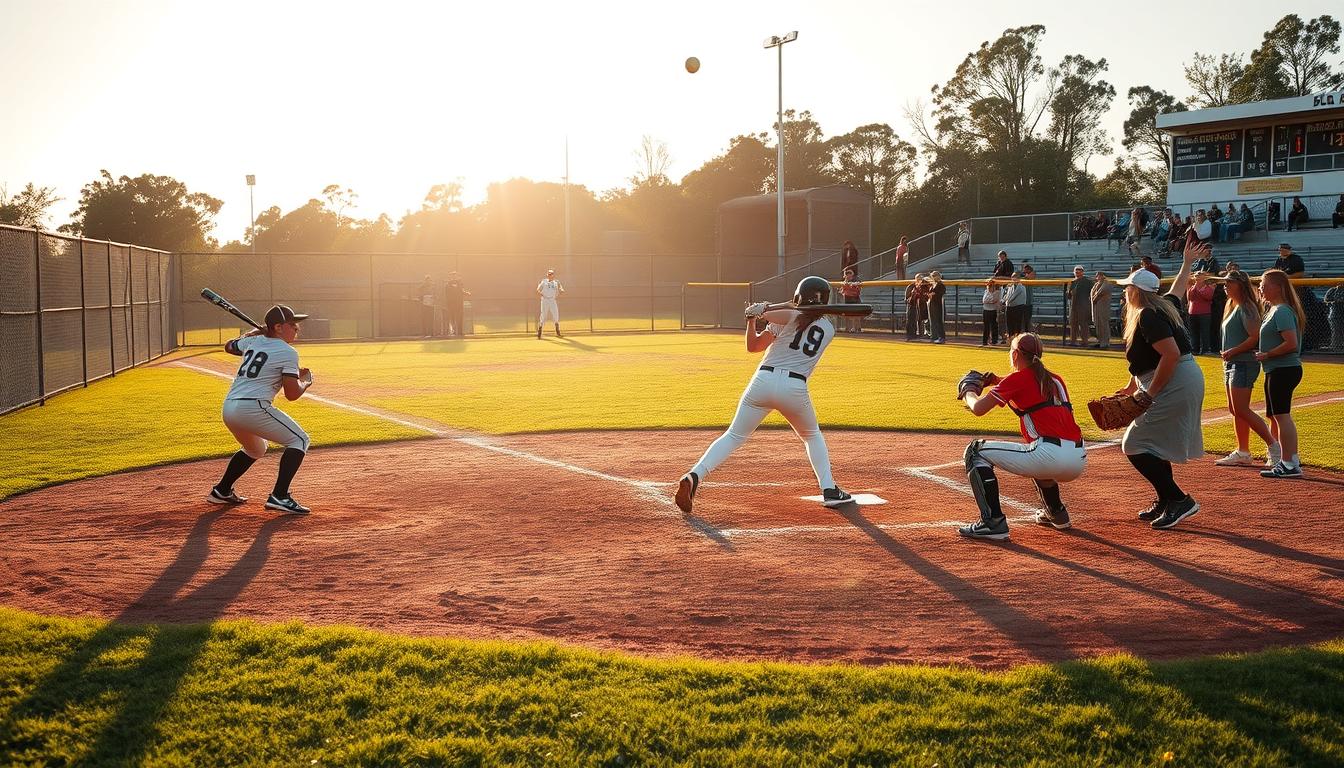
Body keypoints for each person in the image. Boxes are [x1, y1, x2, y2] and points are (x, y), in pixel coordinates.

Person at [675, 276, 852, 512]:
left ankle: (695, 474)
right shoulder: (828, 328)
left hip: (762, 382)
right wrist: (754, 317)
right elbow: (757, 342)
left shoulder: (789, 316)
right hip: (794, 388)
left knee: (733, 436)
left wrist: (761, 310)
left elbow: (763, 337)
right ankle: (829, 489)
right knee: (811, 435)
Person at [955, 332, 1087, 540]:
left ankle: (993, 522)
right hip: (1078, 458)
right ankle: (1057, 513)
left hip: (1050, 455)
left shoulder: (1018, 379)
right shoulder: (1055, 379)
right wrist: (996, 381)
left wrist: (968, 391)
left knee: (975, 451)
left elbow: (978, 408)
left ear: (1015, 355)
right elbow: (1025, 389)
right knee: (1038, 454)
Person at [1114, 242, 1204, 530]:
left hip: (1173, 379)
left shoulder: (1148, 314)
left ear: (1136, 292)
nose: (1124, 291)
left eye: (1127, 287)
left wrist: (1148, 395)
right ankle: (1166, 499)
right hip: (1178, 377)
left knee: (1135, 444)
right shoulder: (1161, 305)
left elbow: (1170, 355)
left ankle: (1179, 499)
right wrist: (1187, 262)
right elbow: (1178, 289)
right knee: (1153, 445)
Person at [208, 304, 315, 515]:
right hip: (252, 407)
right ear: (277, 327)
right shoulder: (288, 352)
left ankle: (221, 491)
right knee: (299, 440)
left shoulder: (253, 341)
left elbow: (229, 346)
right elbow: (292, 394)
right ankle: (280, 496)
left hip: (230, 408)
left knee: (256, 449)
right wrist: (306, 381)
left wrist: (255, 333)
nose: (296, 328)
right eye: (292, 324)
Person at [1214, 270, 1280, 468]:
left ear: (1240, 285)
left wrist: (1233, 350)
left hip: (1243, 362)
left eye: (1229, 283)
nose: (1225, 286)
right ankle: (1243, 451)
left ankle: (1274, 447)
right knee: (1235, 410)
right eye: (1224, 283)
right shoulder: (1233, 306)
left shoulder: (1247, 307)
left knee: (1241, 408)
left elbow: (1254, 337)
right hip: (1233, 362)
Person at [1256, 269, 1307, 478]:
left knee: (1282, 416)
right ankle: (1286, 461)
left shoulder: (1282, 311)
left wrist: (1267, 354)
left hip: (1283, 368)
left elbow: (1291, 344)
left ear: (1277, 287)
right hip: (1277, 369)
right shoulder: (1276, 309)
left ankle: (1290, 463)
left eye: (1263, 284)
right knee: (1277, 416)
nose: (1260, 288)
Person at [1186, 273, 1216, 355]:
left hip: (1204, 313)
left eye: (1199, 275)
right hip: (1192, 312)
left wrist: (1199, 288)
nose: (1197, 276)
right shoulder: (1192, 287)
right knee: (1193, 332)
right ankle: (1194, 349)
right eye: (1196, 275)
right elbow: (1190, 297)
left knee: (1204, 332)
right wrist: (1194, 285)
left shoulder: (1209, 288)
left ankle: (1205, 349)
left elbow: (1208, 297)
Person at [1066, 266, 1092, 347]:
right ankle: (1073, 341)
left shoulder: (1087, 282)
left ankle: (1085, 341)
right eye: (1076, 271)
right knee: (1073, 324)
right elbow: (1069, 296)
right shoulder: (1072, 282)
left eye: (1079, 271)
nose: (1078, 273)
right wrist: (1069, 293)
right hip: (1073, 306)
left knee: (1083, 324)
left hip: (1083, 306)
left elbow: (1092, 293)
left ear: (1083, 272)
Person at [536, 268, 565, 339]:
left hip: (552, 300)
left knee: (556, 314)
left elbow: (560, 287)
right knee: (543, 315)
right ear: (547, 275)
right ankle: (539, 332)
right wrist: (541, 294)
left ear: (553, 275)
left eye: (551, 274)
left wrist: (561, 290)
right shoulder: (544, 281)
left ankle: (557, 331)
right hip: (545, 300)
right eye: (549, 274)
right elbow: (538, 289)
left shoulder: (556, 282)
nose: (550, 275)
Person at [1090, 271, 1114, 349]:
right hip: (1096, 307)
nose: (1098, 277)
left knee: (1104, 325)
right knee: (1098, 325)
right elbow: (1092, 294)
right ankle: (1100, 341)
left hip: (1103, 307)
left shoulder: (1107, 283)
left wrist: (1094, 298)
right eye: (1097, 275)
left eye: (1100, 275)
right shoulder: (1096, 284)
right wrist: (1093, 298)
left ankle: (1105, 343)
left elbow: (1100, 293)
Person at [444, 272, 470, 338]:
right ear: (450, 277)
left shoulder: (460, 283)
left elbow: (461, 291)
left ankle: (460, 332)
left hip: (459, 304)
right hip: (451, 304)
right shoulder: (447, 285)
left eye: (455, 276)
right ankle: (454, 331)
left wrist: (467, 293)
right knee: (452, 318)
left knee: (460, 317)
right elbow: (447, 295)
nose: (454, 277)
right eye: (452, 276)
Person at [925, 271, 947, 344]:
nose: (934, 277)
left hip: (938, 304)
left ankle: (941, 337)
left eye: (936, 275)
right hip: (931, 303)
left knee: (938, 321)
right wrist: (929, 294)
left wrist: (934, 294)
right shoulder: (933, 284)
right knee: (932, 321)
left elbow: (941, 293)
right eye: (933, 276)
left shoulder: (941, 285)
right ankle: (934, 336)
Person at [840, 268, 863, 332]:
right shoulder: (844, 282)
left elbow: (859, 288)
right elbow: (842, 291)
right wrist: (846, 283)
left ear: (852, 275)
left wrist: (855, 284)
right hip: (848, 299)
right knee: (848, 315)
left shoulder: (856, 280)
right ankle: (848, 328)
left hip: (855, 299)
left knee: (857, 315)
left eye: (850, 274)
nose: (849, 275)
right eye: (847, 274)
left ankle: (858, 328)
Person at [905, 275, 927, 340]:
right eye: (918, 279)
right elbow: (907, 299)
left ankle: (921, 335)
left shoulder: (924, 287)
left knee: (921, 320)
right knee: (911, 320)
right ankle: (910, 335)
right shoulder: (911, 286)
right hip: (912, 306)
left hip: (921, 307)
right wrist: (913, 295)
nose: (920, 280)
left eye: (921, 279)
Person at [980, 278, 1001, 346]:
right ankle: (985, 341)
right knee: (986, 327)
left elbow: (994, 300)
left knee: (994, 326)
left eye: (991, 285)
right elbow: (984, 300)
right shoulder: (986, 291)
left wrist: (989, 300)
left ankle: (994, 341)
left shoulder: (997, 292)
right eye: (988, 285)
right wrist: (990, 301)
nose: (989, 287)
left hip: (993, 311)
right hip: (986, 310)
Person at [1326, 281, 1344, 351]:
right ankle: (1335, 347)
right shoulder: (1332, 290)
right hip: (1335, 315)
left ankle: (1339, 346)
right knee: (1336, 331)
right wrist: (1336, 301)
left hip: (1341, 314)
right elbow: (1326, 299)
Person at [1021, 264, 1037, 332]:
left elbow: (1033, 275)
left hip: (1029, 303)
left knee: (1028, 319)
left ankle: (1028, 332)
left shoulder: (1031, 278)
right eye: (1025, 272)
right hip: (1023, 302)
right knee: (1023, 320)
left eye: (1027, 272)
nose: (1026, 274)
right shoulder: (1022, 279)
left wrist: (1029, 274)